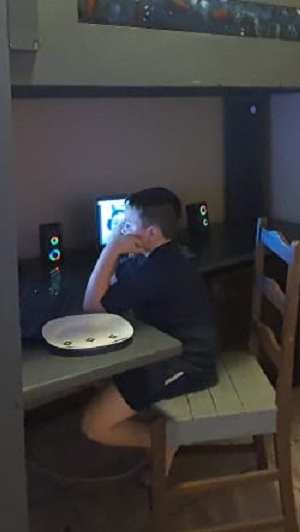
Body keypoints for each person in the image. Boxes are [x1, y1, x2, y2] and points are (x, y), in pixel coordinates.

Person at [80, 187, 218, 472]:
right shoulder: (163, 255)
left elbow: (93, 307)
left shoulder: (157, 271)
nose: (122, 230)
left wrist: (111, 248)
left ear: (152, 232)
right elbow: (114, 283)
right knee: (102, 375)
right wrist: (117, 251)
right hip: (164, 348)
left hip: (187, 362)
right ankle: (153, 429)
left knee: (93, 426)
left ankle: (164, 442)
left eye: (128, 224)